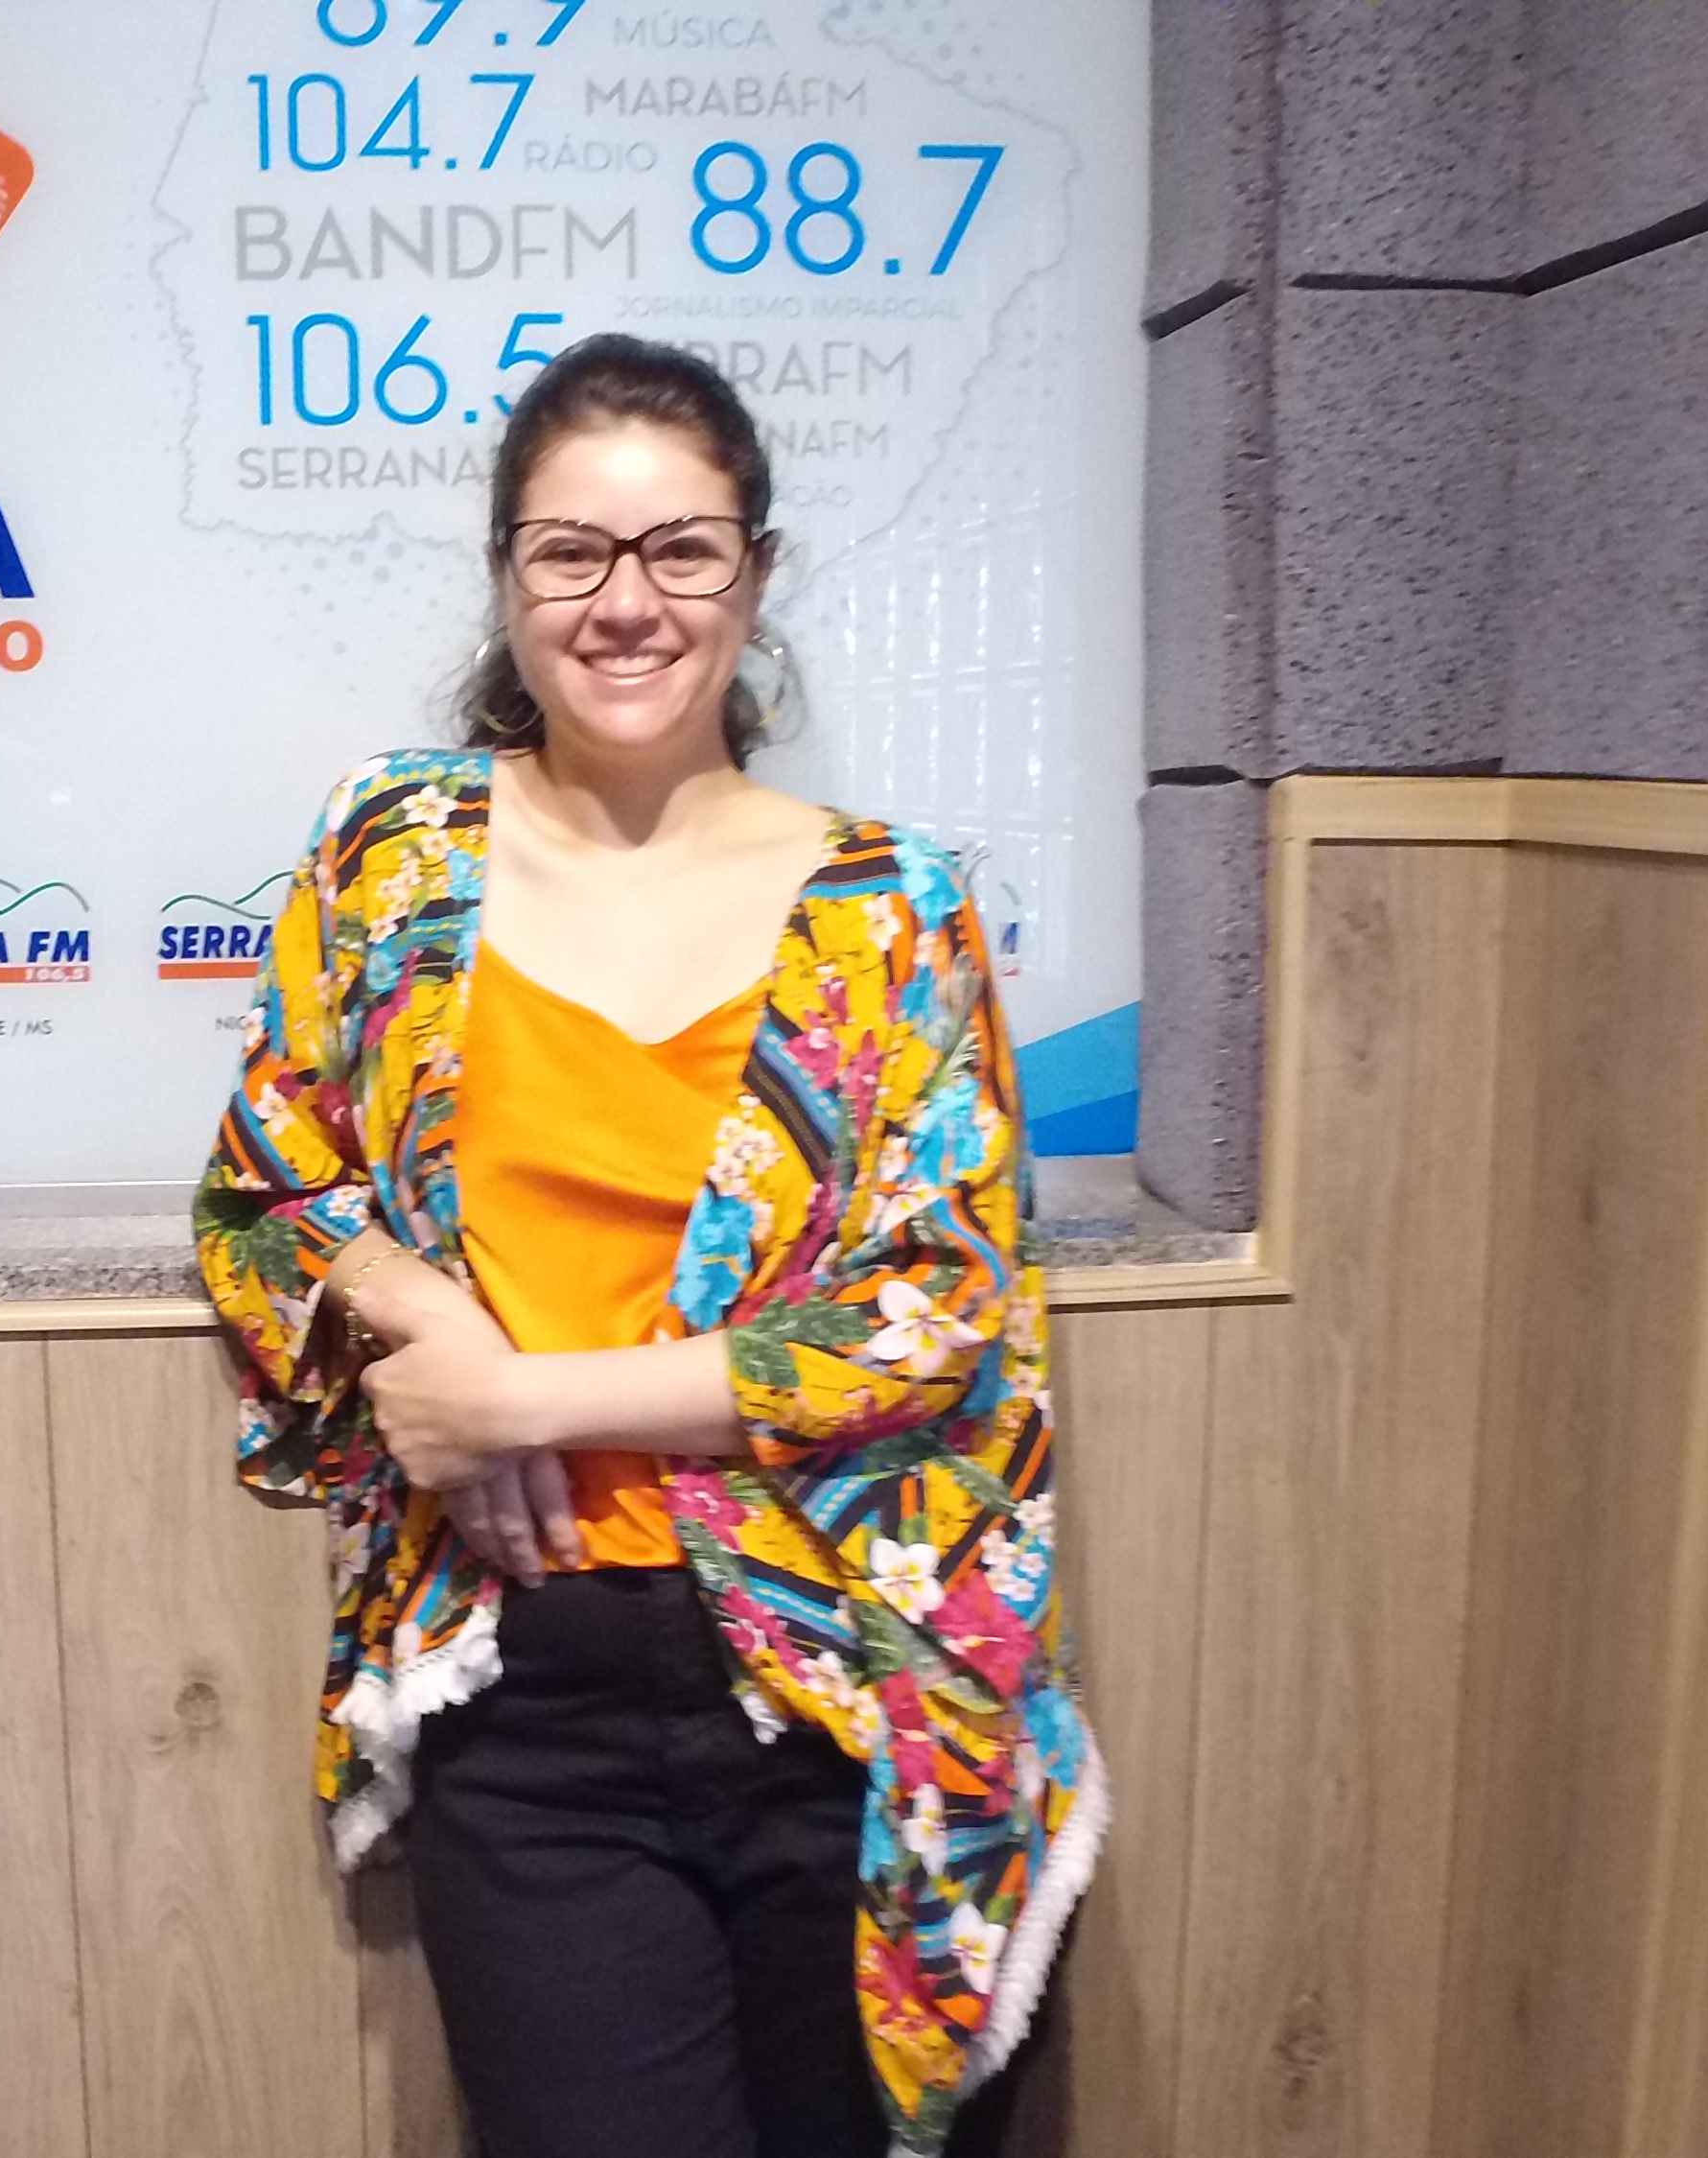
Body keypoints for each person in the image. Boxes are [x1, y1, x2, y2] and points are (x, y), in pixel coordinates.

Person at [195, 335, 1104, 2158]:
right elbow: (264, 1195)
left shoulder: (892, 906)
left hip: (853, 1689)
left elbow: (939, 1314)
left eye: (683, 549)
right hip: (531, 1712)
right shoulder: (393, 855)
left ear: (755, 573)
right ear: (506, 576)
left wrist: (526, 1403)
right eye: (572, 552)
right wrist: (417, 1309)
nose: (628, 603)